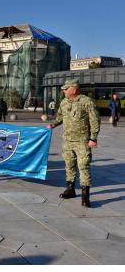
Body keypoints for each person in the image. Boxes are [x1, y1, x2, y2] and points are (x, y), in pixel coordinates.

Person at [47, 79, 101, 208]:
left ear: (74, 89)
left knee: (83, 166)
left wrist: (93, 138)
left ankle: (85, 196)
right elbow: (60, 117)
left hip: (82, 141)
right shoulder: (64, 102)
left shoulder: (86, 102)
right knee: (69, 165)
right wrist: (54, 124)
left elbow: (95, 120)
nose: (64, 91)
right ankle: (70, 189)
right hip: (67, 140)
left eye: (66, 89)